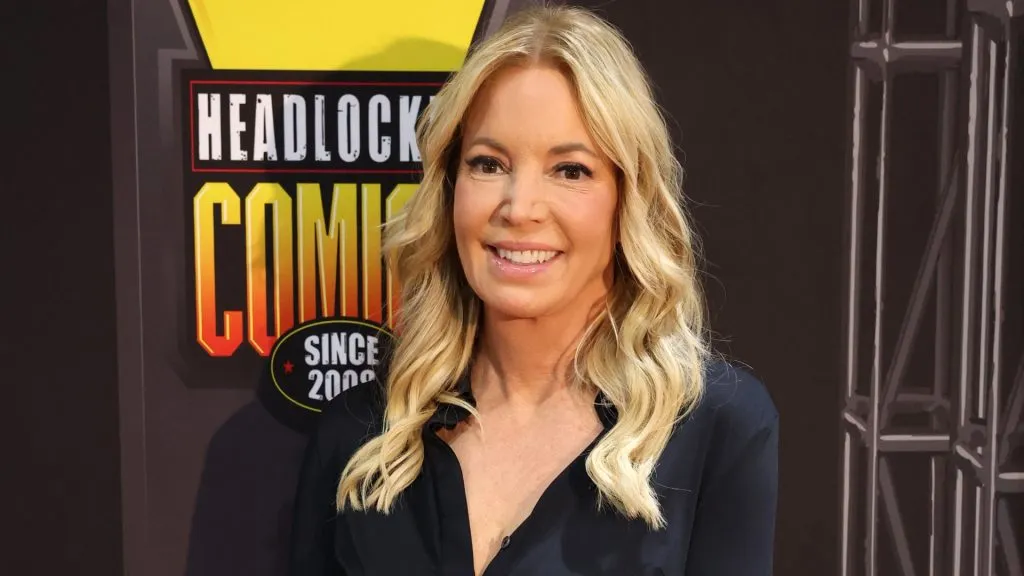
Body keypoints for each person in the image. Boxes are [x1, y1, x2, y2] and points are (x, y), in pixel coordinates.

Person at [289, 5, 778, 575]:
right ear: (449, 190)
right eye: (488, 164)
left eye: (570, 170)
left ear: (627, 199)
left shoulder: (716, 427)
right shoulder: (362, 436)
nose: (519, 208)